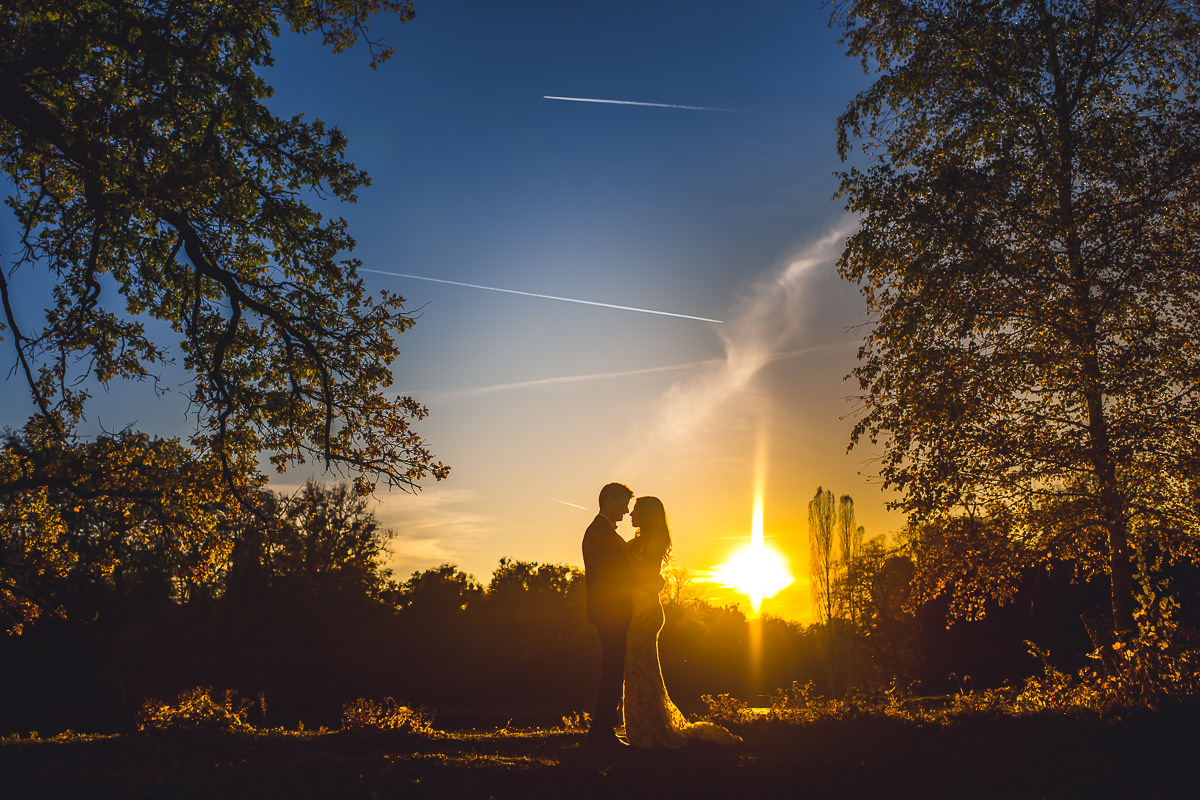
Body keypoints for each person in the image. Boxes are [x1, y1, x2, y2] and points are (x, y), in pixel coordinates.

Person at [622, 496, 741, 748]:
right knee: (635, 668)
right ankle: (641, 725)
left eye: (636, 511)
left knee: (640, 669)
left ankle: (650, 726)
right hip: (636, 608)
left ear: (647, 515)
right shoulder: (637, 542)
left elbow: (643, 576)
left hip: (644, 611)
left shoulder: (653, 542)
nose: (631, 515)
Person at [581, 482, 635, 746]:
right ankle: (603, 730)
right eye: (624, 504)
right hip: (611, 612)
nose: (626, 511)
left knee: (614, 667)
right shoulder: (600, 533)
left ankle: (604, 728)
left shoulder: (601, 532)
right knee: (613, 668)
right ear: (611, 501)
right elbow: (612, 576)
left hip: (609, 611)